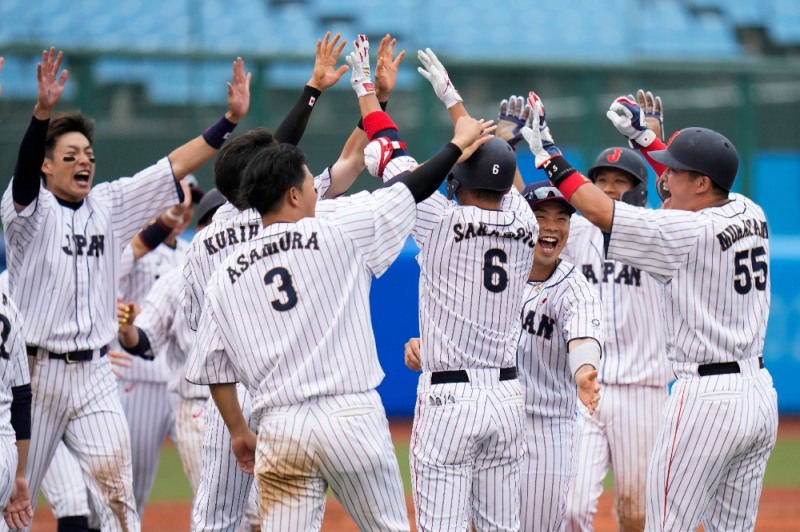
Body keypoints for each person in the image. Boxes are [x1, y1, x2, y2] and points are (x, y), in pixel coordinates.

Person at [185, 34, 489, 526]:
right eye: (307, 180)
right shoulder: (335, 225)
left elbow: (213, 361)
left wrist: (239, 429)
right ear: (289, 192)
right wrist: (455, 144)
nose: (314, 184)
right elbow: (407, 189)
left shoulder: (222, 266)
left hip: (277, 423)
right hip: (351, 417)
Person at [0, 46, 249, 531]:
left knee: (120, 505)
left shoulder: (108, 205)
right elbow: (25, 176)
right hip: (35, 375)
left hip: (95, 377)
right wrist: (41, 114)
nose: (83, 162)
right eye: (69, 155)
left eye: (89, 155)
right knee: (16, 501)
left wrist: (229, 121)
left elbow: (173, 166)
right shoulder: (27, 215)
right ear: (47, 167)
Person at [522, 90, 778, 531]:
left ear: (700, 184)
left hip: (706, 400)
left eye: (675, 171)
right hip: (757, 396)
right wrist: (646, 140)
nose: (665, 179)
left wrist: (549, 155)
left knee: (664, 523)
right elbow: (694, 185)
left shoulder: (685, 232)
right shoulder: (749, 211)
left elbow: (600, 209)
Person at [181, 32, 389, 532]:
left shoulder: (205, 244)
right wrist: (374, 100)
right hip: (297, 384)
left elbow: (199, 328)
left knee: (219, 516)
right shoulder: (285, 208)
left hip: (235, 390)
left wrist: (318, 90)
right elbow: (351, 159)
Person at [388, 47, 535, 532]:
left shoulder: (438, 218)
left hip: (450, 399)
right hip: (509, 397)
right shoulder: (525, 219)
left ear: (455, 181)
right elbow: (497, 164)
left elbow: (393, 159)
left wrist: (371, 97)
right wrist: (454, 101)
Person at [563, 144, 671, 532]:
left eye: (619, 182)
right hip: (584, 388)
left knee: (635, 511)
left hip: (643, 390)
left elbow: (681, 201)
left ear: (639, 190)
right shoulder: (576, 233)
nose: (608, 189)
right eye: (601, 181)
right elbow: (533, 219)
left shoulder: (656, 235)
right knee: (570, 507)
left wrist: (653, 142)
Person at [117, 188, 226, 499]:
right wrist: (125, 331)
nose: (182, 209)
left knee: (227, 503)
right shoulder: (133, 250)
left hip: (189, 382)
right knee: (131, 486)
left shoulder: (187, 253)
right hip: (140, 376)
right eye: (176, 201)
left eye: (189, 203)